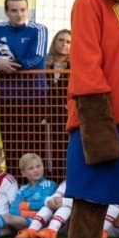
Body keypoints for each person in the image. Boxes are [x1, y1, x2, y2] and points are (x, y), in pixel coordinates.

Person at [0, 0, 49, 181]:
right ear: (6, 12)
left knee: (37, 146)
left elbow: (36, 59)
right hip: (8, 99)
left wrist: (8, 64)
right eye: (14, 10)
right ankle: (14, 190)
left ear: (28, 9)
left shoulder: (39, 29)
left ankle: (39, 190)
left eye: (23, 10)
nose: (19, 14)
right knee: (11, 146)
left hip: (36, 99)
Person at [43, 29, 72, 180]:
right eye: (61, 40)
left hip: (67, 115)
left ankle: (65, 181)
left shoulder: (75, 66)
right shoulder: (44, 65)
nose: (64, 44)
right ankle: (51, 181)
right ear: (54, 42)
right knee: (48, 150)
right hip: (47, 114)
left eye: (68, 42)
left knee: (65, 149)